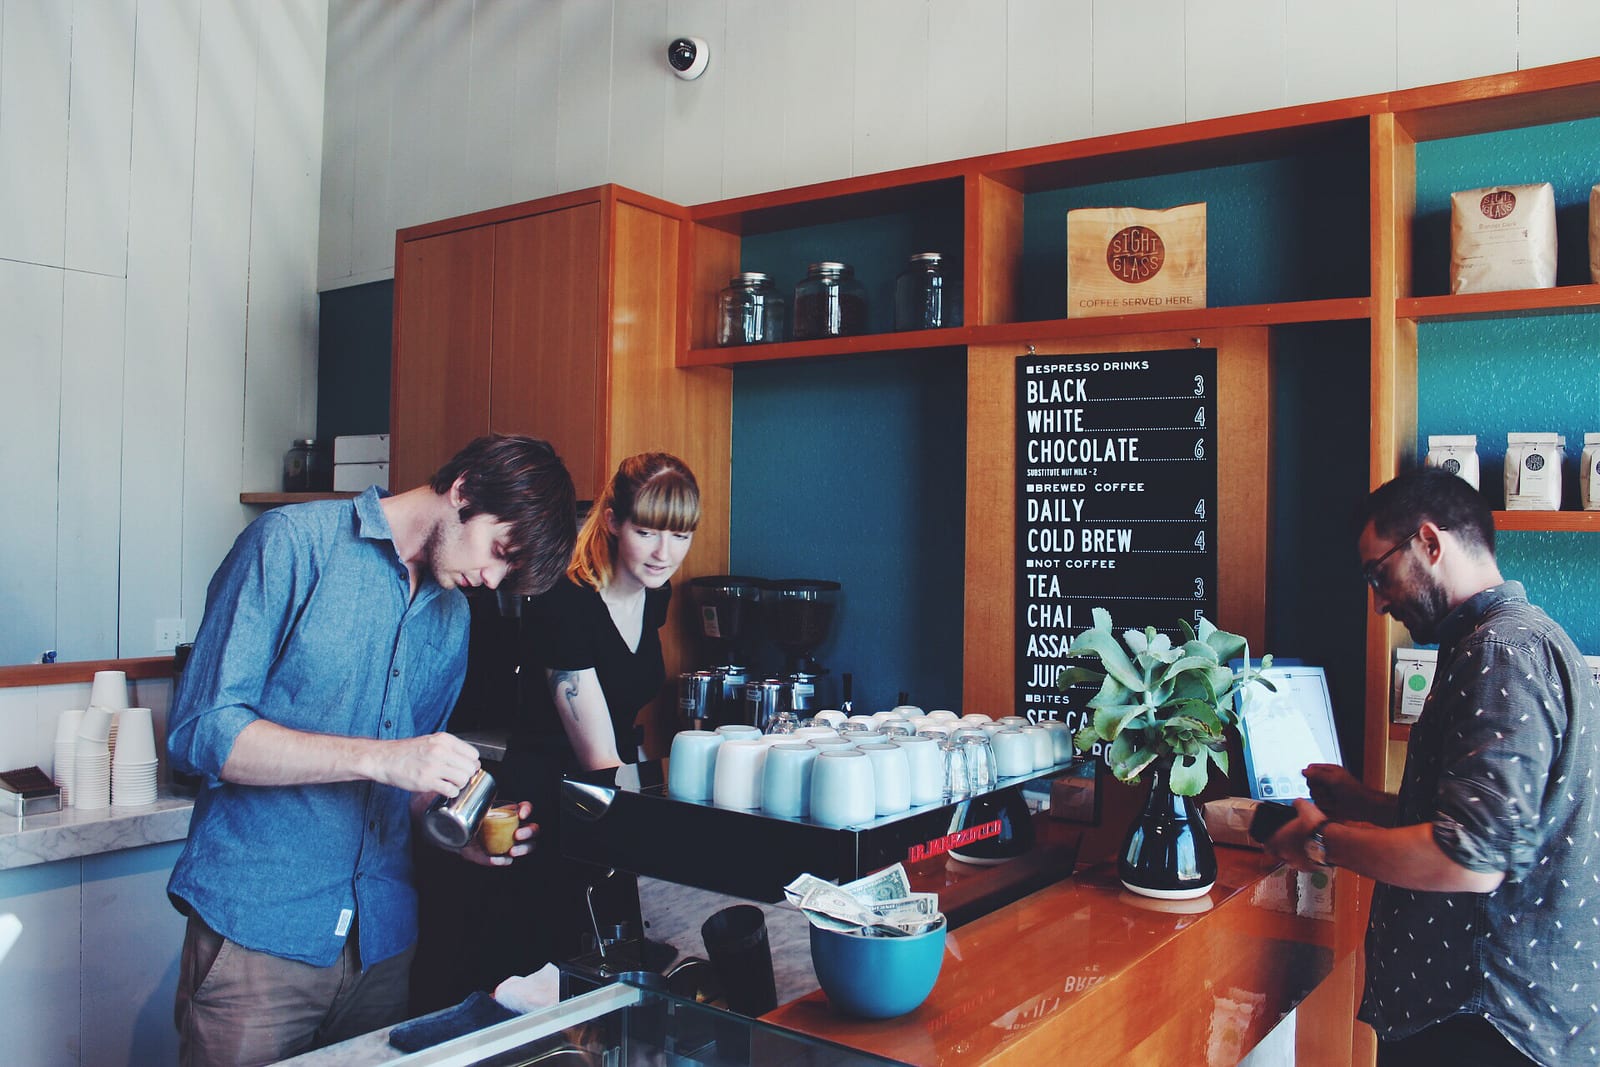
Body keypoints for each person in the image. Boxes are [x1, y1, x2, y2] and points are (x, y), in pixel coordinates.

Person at [165, 434, 577, 1067]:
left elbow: (406, 782)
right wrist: (378, 756)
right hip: (262, 937)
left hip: (381, 950)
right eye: (499, 551)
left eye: (508, 576)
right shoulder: (292, 544)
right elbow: (204, 732)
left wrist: (453, 831)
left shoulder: (452, 617)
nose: (490, 578)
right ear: (463, 489)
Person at [1265, 468, 1600, 1066]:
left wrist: (1323, 840)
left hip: (1483, 1019)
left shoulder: (1500, 654)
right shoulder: (1520, 639)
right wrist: (1362, 802)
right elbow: (1502, 824)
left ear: (1429, 542)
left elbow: (1468, 858)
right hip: (1498, 1016)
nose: (1378, 601)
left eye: (1379, 574)